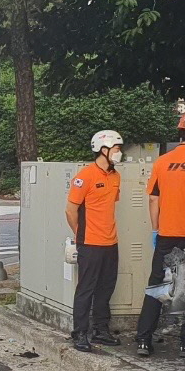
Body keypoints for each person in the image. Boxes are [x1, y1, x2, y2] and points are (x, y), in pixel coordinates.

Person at [133, 108, 185, 358]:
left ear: (180, 133)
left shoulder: (163, 162)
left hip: (167, 234)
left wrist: (156, 230)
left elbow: (154, 199)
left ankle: (143, 340)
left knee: (156, 286)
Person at [65, 130, 124, 352]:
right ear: (104, 149)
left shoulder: (115, 176)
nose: (120, 153)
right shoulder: (85, 176)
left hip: (111, 242)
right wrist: (80, 233)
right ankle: (80, 332)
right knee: (86, 289)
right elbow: (70, 210)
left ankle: (101, 330)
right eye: (117, 149)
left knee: (106, 288)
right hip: (90, 242)